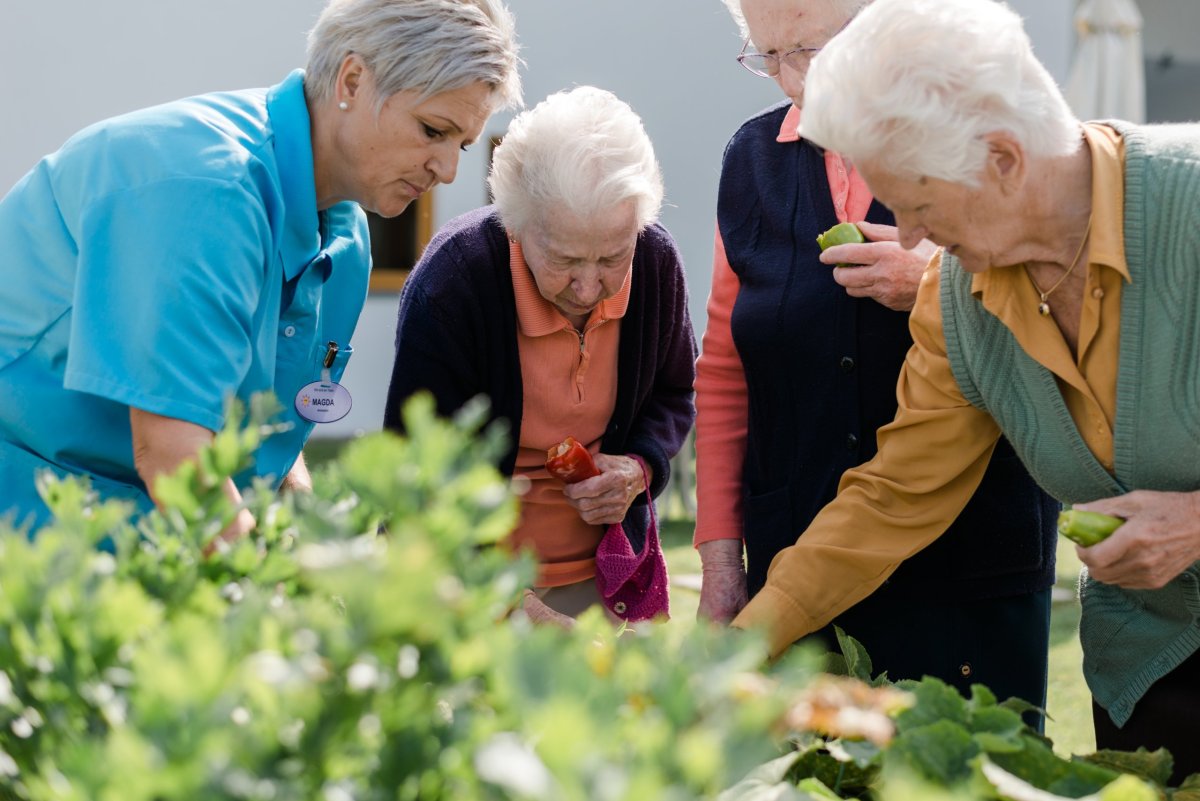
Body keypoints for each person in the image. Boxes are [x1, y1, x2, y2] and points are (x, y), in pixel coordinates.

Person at [732, 0, 1200, 780]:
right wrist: (734, 646)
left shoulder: (1187, 207)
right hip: (1151, 667)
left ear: (1004, 158)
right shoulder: (960, 300)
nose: (909, 235)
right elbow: (893, 497)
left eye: (917, 202)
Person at [0, 0, 522, 543]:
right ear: (352, 79)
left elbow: (264, 440)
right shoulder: (205, 191)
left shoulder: (346, 239)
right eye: (432, 130)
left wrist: (316, 544)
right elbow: (174, 455)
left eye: (461, 143)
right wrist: (269, 596)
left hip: (138, 532)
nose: (449, 169)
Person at [694, 0, 1059, 713]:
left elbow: (1051, 313)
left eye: (812, 51)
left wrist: (936, 286)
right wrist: (720, 560)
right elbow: (724, 368)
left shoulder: (979, 139)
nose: (792, 80)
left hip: (969, 562)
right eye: (768, 56)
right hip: (799, 555)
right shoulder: (750, 161)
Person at [383, 86, 696, 622]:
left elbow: (673, 392)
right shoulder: (455, 281)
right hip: (471, 577)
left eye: (611, 257)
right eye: (565, 258)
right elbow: (420, 470)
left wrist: (638, 468)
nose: (587, 286)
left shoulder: (655, 261)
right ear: (515, 225)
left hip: (606, 573)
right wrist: (511, 604)